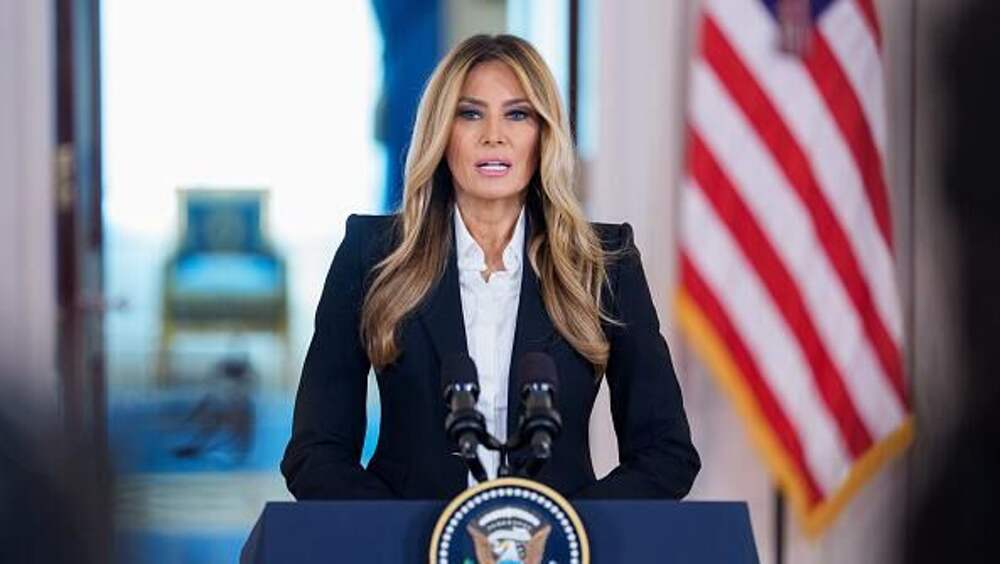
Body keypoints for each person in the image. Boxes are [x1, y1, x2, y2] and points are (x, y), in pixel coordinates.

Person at [281, 34, 700, 501]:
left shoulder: (604, 263)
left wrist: (566, 526)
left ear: (544, 134)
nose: (494, 135)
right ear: (441, 132)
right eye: (470, 113)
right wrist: (400, 531)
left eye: (517, 115)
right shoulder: (372, 253)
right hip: (406, 538)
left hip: (560, 539)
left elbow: (666, 454)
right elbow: (314, 453)